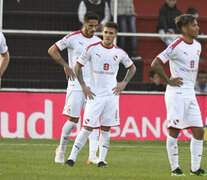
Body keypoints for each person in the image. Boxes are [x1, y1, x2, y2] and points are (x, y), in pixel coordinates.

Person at [63, 22, 136, 168]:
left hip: (112, 97)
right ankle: (71, 158)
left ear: (115, 35)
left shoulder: (119, 52)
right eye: (106, 32)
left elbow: (132, 67)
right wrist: (83, 85)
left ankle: (101, 160)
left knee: (106, 129)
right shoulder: (92, 49)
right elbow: (77, 65)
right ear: (103, 33)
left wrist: (124, 83)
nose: (108, 35)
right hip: (95, 96)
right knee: (87, 128)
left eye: (111, 33)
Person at [151, 14, 207, 176]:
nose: (198, 27)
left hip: (190, 93)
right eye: (194, 25)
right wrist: (168, 80)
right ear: (184, 28)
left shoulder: (197, 45)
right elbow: (155, 63)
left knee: (199, 131)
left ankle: (195, 168)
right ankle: (175, 168)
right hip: (176, 93)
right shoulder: (175, 45)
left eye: (197, 25)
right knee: (175, 130)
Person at [48, 12, 102, 165]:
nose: (93, 28)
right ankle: (61, 150)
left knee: (92, 121)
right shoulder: (73, 38)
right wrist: (65, 65)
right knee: (73, 121)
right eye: (90, 25)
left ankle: (92, 156)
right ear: (84, 24)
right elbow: (52, 50)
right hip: (76, 85)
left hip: (92, 86)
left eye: (95, 26)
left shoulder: (98, 42)